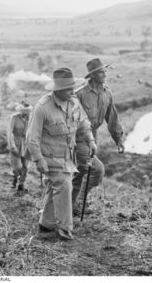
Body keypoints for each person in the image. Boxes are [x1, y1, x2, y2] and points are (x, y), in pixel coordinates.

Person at [26, 68, 97, 240]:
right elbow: (31, 138)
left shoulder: (73, 102)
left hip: (68, 156)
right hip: (49, 157)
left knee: (55, 187)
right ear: (57, 90)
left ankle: (46, 223)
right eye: (68, 89)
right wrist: (39, 159)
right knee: (64, 186)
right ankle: (64, 229)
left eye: (72, 88)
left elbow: (82, 122)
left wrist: (90, 139)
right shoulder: (42, 108)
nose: (72, 92)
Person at [72, 58, 124, 215]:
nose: (105, 74)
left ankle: (71, 204)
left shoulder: (107, 93)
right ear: (93, 75)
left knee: (82, 172)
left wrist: (119, 139)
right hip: (78, 138)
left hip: (93, 137)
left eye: (105, 71)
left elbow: (112, 117)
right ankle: (79, 202)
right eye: (101, 72)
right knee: (97, 170)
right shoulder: (80, 94)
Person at [7, 100, 32, 194]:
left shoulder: (31, 118)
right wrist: (12, 144)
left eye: (28, 111)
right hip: (16, 142)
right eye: (24, 111)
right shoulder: (14, 118)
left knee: (25, 166)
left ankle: (21, 184)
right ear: (21, 110)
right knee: (17, 167)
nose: (26, 113)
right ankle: (15, 177)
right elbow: (9, 132)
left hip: (27, 143)